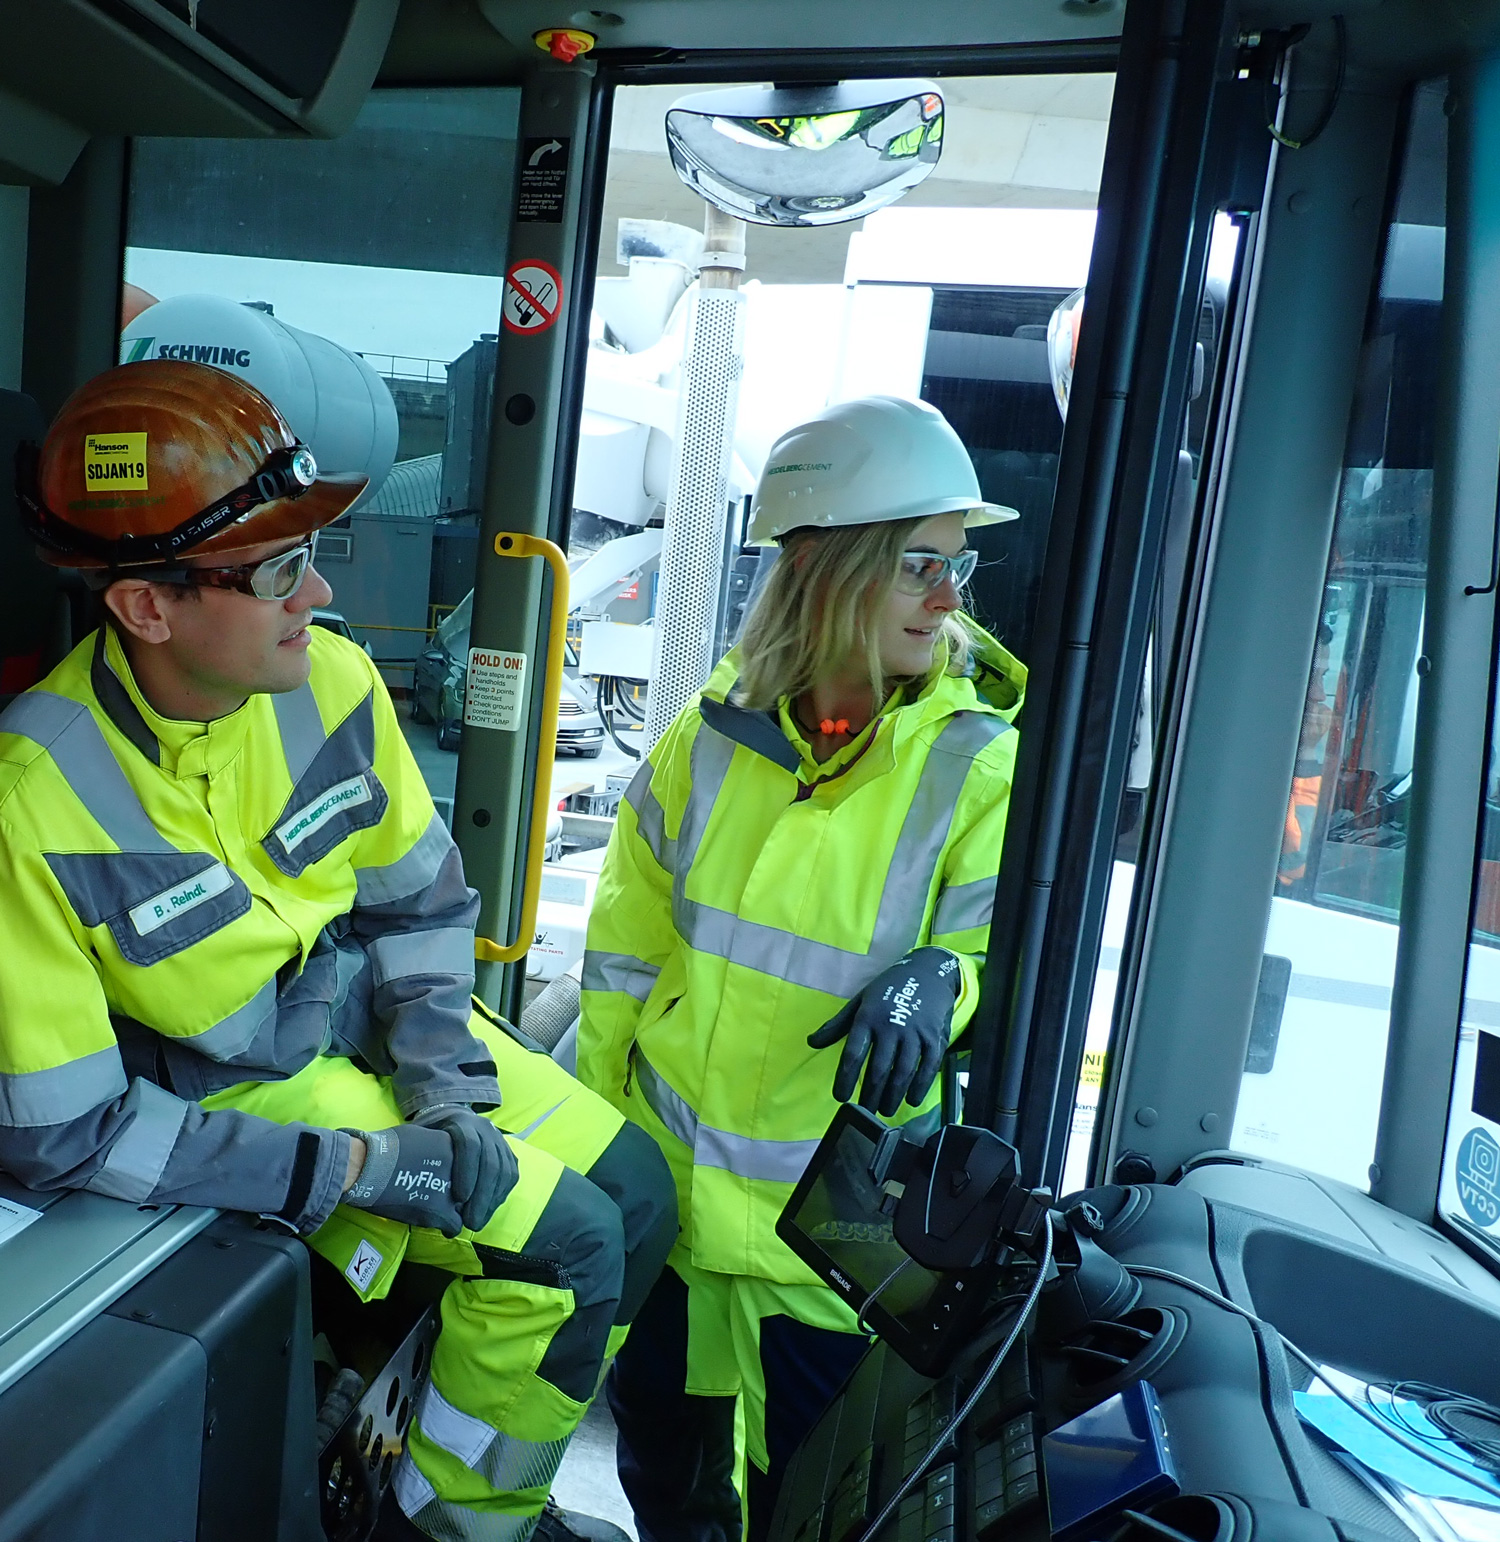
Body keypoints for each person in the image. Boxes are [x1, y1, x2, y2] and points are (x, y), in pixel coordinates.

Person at [0, 359, 676, 1542]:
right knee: (566, 1246)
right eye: (274, 568)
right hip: (239, 1104)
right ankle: (442, 1528)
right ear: (146, 608)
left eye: (309, 548)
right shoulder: (32, 802)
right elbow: (67, 1134)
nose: (316, 591)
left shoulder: (331, 684)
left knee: (638, 1193)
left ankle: (443, 1483)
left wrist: (444, 1085)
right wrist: (353, 1172)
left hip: (364, 1026)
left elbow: (413, 906)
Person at [578, 395, 1027, 1539]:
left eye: (956, 569)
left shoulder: (977, 768)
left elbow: (988, 959)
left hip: (831, 1244)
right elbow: (624, 956)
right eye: (919, 564)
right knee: (666, 1489)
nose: (946, 596)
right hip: (676, 1216)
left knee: (817, 1515)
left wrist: (944, 979)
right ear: (828, 569)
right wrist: (593, 1145)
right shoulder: (706, 740)